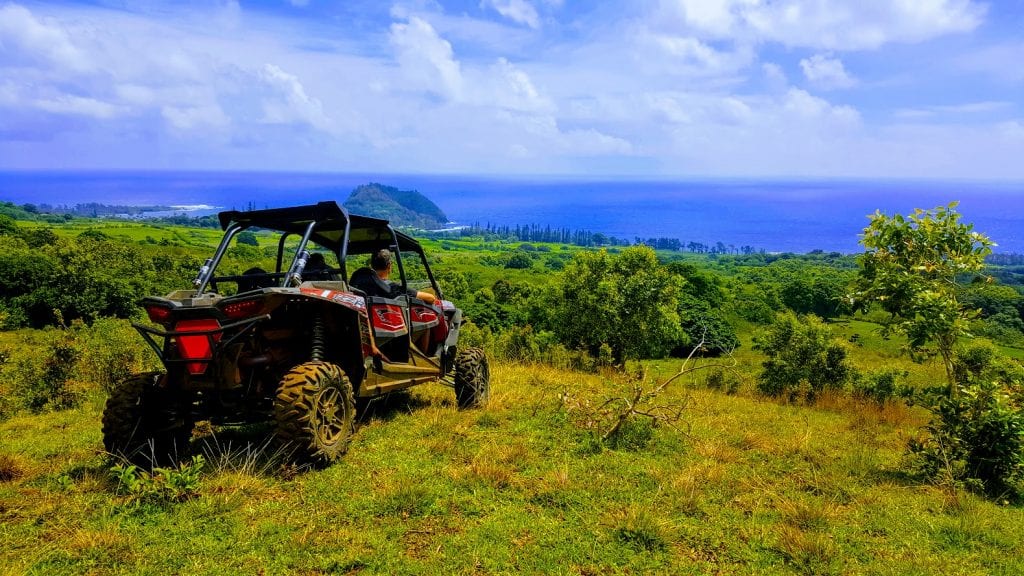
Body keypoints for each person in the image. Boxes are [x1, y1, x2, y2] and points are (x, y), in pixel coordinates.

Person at [349, 249, 437, 304]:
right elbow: (431, 298)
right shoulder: (393, 288)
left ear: (371, 265)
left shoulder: (358, 284)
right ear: (389, 266)